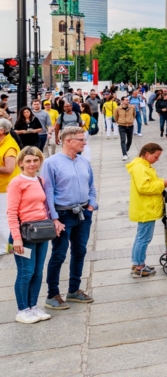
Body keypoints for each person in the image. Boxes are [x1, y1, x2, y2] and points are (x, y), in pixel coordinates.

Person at [42, 126, 97, 310]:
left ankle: (73, 290)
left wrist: (91, 205)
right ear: (68, 141)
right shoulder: (51, 163)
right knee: (59, 254)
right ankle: (52, 294)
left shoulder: (83, 161)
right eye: (81, 139)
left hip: (83, 213)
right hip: (63, 215)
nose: (84, 142)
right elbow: (48, 193)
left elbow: (91, 186)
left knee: (80, 251)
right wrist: (54, 218)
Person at [7, 146, 63, 323]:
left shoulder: (40, 180)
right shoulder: (17, 182)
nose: (32, 164)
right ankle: (22, 310)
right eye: (28, 161)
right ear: (21, 163)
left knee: (38, 272)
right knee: (26, 272)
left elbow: (44, 206)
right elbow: (11, 212)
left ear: (40, 161)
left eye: (35, 160)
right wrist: (16, 238)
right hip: (23, 235)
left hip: (41, 233)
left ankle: (33, 306)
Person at [126, 144, 167, 278]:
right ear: (147, 154)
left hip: (145, 207)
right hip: (145, 208)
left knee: (141, 237)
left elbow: (148, 182)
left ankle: (137, 263)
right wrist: (162, 184)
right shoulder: (140, 167)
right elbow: (144, 187)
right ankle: (139, 267)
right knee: (144, 238)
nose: (157, 159)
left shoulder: (142, 165)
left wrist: (161, 181)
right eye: (156, 156)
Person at [0, 118, 21, 255]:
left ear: (1, 131)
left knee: (3, 218)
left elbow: (8, 168)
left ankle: (6, 247)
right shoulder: (2, 142)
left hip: (6, 189)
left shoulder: (9, 146)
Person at [114, 96, 136, 161]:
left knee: (129, 140)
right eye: (126, 100)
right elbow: (115, 117)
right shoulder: (118, 109)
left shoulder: (132, 107)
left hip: (130, 125)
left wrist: (131, 120)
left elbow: (134, 115)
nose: (128, 101)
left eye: (128, 100)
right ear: (122, 101)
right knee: (123, 140)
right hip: (122, 126)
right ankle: (124, 154)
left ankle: (126, 150)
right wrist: (119, 121)